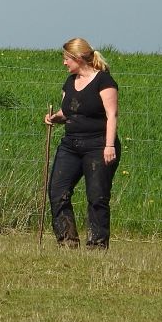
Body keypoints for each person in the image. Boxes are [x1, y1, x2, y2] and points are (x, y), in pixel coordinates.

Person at [43, 37, 120, 249]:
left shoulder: (104, 81)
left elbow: (112, 115)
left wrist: (109, 146)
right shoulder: (69, 82)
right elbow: (69, 111)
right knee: (58, 191)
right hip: (70, 146)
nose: (64, 63)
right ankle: (67, 241)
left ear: (78, 58)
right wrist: (55, 118)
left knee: (97, 196)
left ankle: (96, 244)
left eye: (67, 58)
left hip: (99, 145)